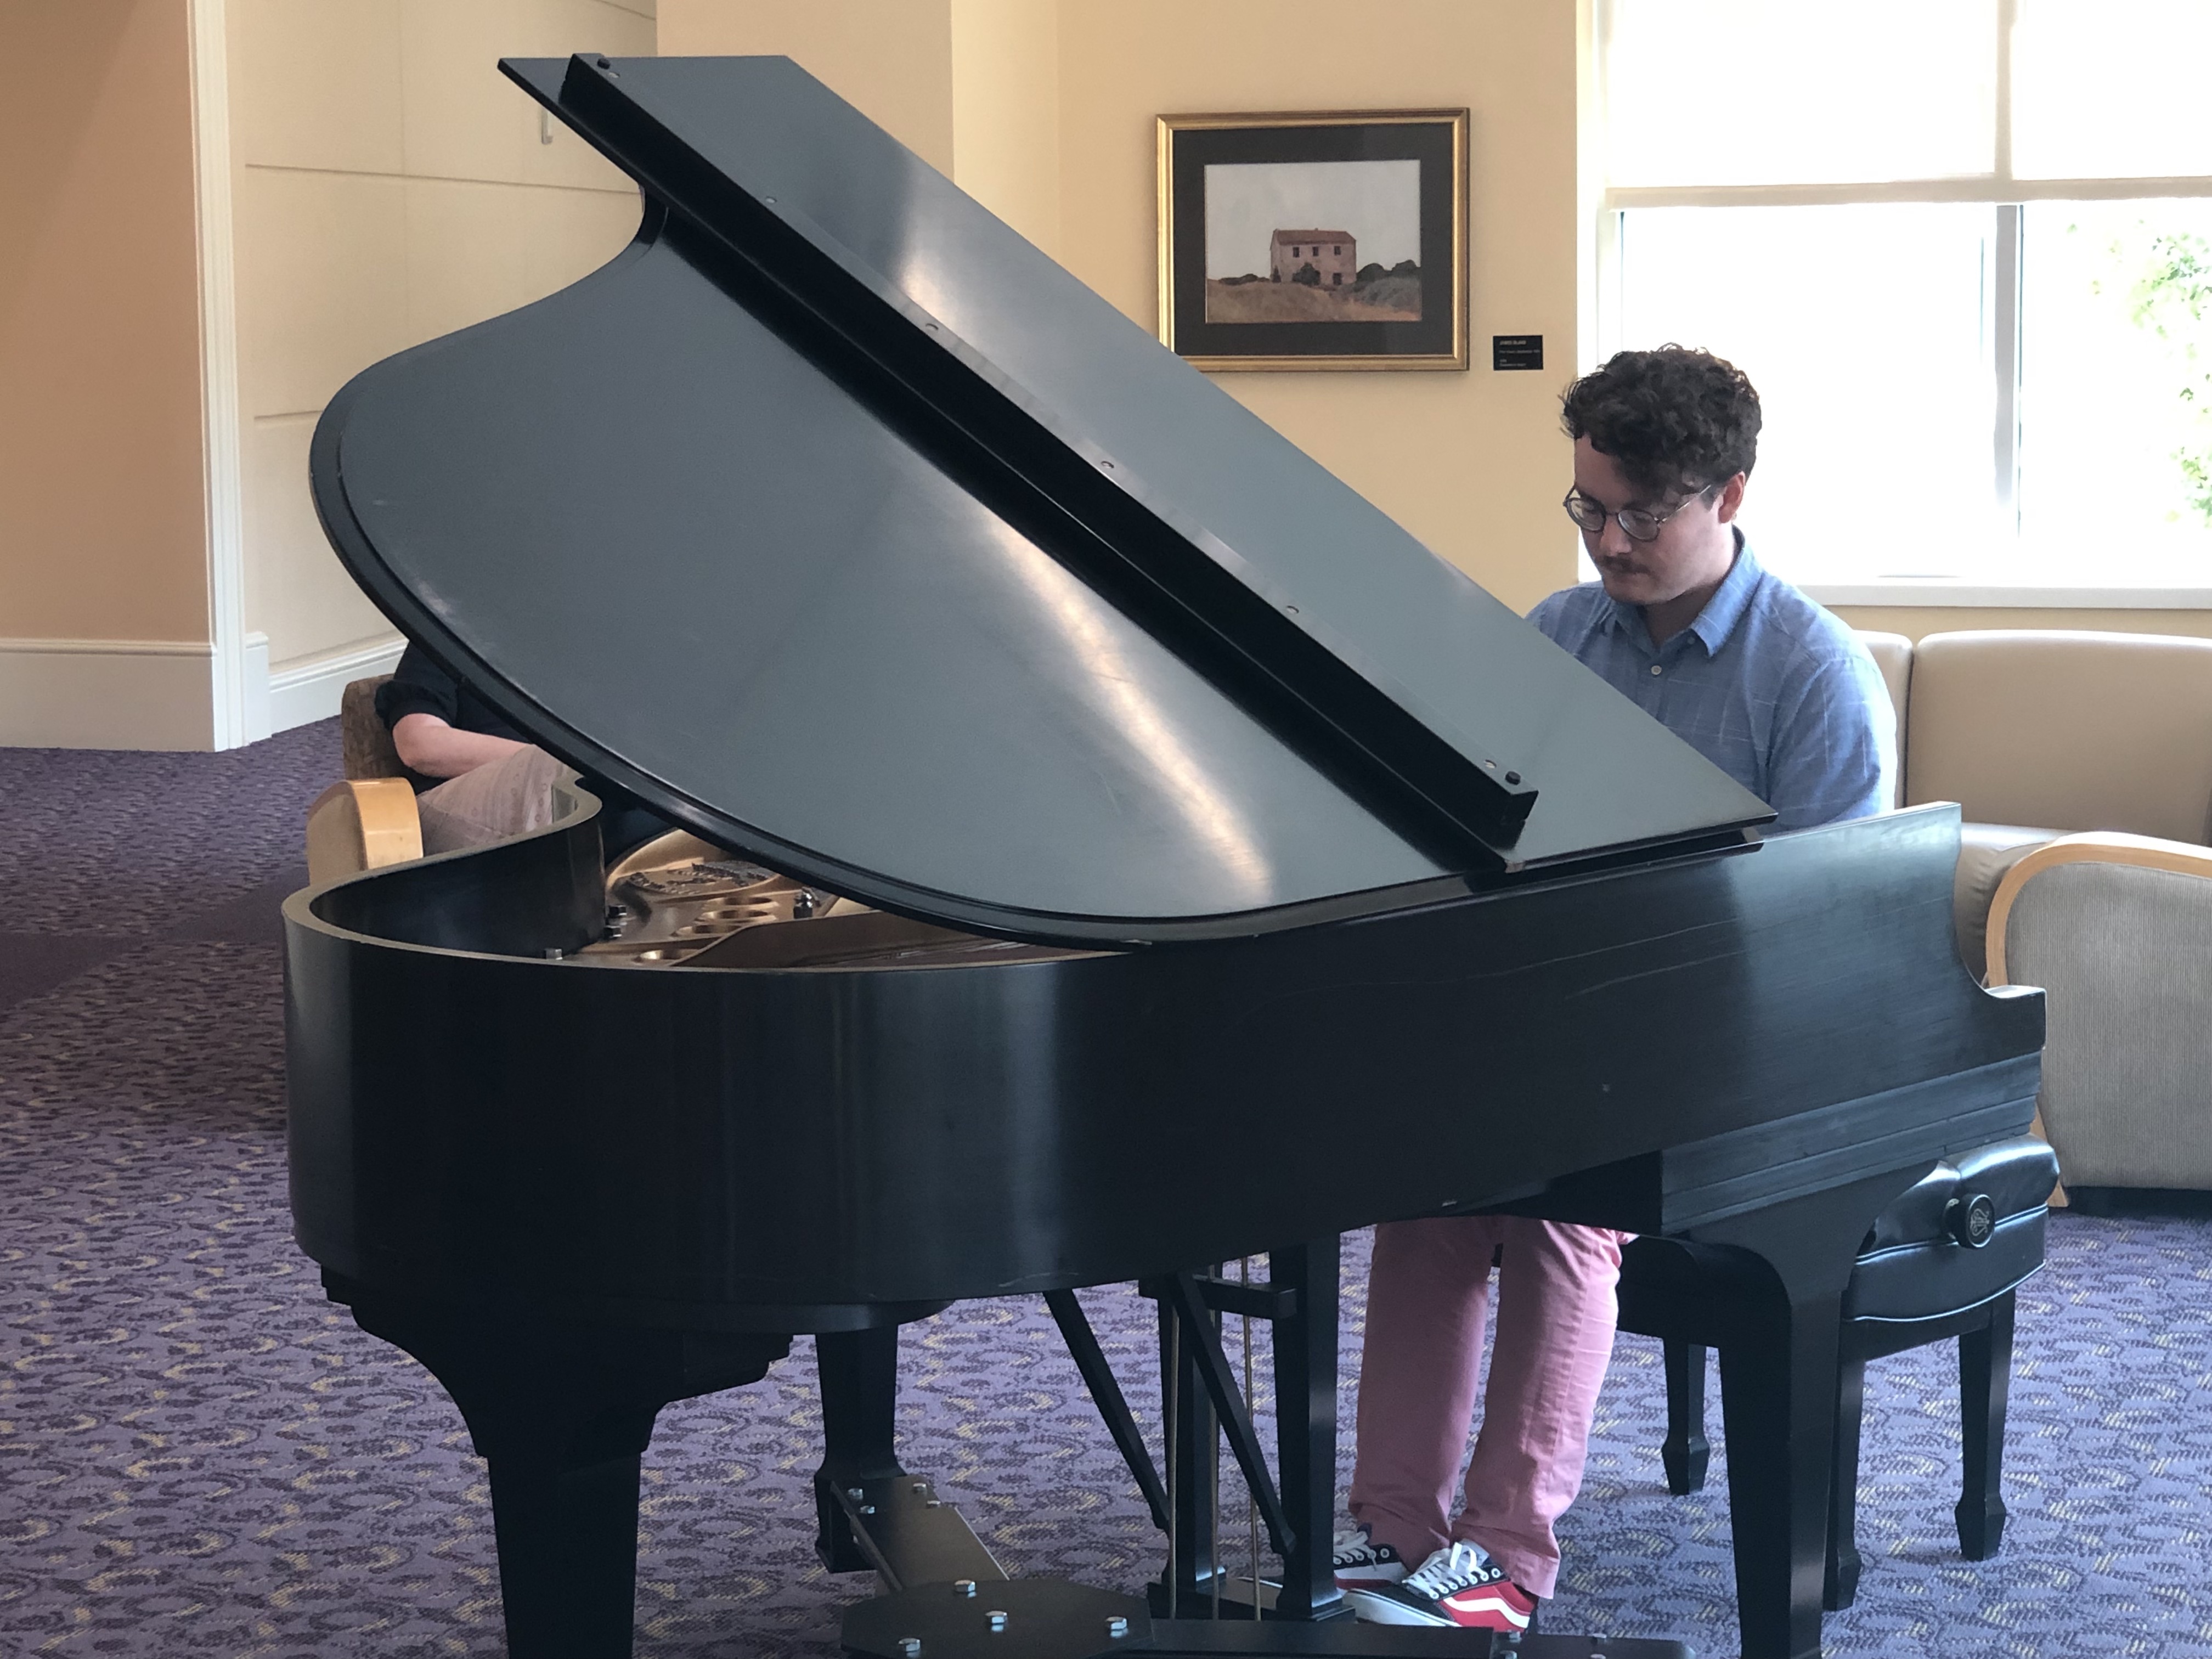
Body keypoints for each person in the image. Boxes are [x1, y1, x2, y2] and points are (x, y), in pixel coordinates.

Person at [1333, 346, 1894, 1632]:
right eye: (1587, 506)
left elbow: (1836, 937)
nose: (1607, 541)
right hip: (1563, 1025)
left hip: (1740, 1053)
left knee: (1560, 1210)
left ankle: (1506, 1557)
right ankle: (1388, 1535)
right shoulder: (1556, 634)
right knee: (1421, 1199)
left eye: (1641, 514)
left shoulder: (1813, 676)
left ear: (1730, 497)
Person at [377, 643, 671, 857]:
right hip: (456, 802)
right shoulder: (445, 628)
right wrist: (575, 763)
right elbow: (422, 746)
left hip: (593, 793)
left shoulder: (600, 640)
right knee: (598, 765)